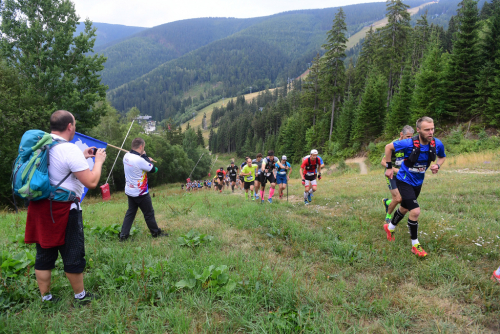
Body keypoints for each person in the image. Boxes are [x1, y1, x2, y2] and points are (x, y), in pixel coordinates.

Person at [24, 110, 106, 304]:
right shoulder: (68, 149)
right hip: (63, 209)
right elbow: (92, 182)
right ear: (70, 126)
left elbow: (55, 169)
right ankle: (80, 296)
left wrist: (83, 157)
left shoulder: (41, 146)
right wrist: (98, 161)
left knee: (44, 251)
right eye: (74, 124)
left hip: (39, 207)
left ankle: (46, 298)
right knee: (73, 252)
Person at [383, 117, 446, 257]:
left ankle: (390, 227)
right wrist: (388, 168)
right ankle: (415, 245)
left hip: (418, 182)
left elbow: (442, 157)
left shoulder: (437, 143)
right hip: (404, 180)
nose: (431, 132)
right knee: (415, 211)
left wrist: (438, 165)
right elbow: (388, 147)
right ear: (418, 130)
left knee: (405, 208)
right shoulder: (408, 143)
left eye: (432, 129)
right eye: (427, 130)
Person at [119, 138, 167, 241]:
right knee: (149, 213)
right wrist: (145, 157)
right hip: (141, 193)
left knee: (130, 213)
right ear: (141, 147)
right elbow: (154, 169)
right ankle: (155, 233)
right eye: (143, 147)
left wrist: (145, 159)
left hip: (130, 191)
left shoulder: (126, 156)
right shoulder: (140, 160)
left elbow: (139, 162)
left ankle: (123, 235)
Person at [381, 125, 415, 224]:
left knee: (402, 200)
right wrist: (395, 170)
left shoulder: (410, 145)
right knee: (398, 198)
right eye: (407, 137)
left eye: (411, 137)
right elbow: (383, 162)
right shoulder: (393, 145)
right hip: (391, 174)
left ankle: (387, 202)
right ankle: (388, 216)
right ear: (401, 134)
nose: (410, 139)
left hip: (403, 176)